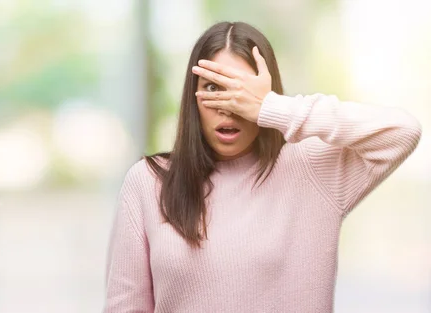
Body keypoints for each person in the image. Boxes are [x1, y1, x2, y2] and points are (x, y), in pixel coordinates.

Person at [103, 21, 422, 312]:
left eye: (243, 90)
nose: (230, 107)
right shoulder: (148, 181)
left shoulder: (311, 169)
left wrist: (271, 108)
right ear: (193, 95)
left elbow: (402, 131)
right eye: (215, 88)